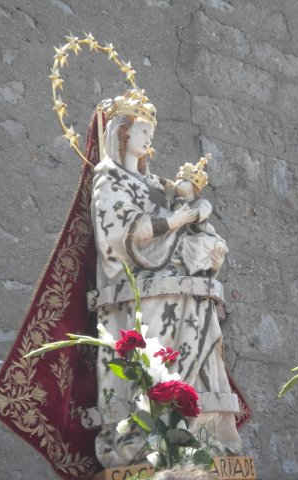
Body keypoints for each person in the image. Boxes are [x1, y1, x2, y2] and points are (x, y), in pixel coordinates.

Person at [90, 89, 242, 468]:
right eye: (142, 131)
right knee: (154, 347)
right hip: (136, 290)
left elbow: (185, 208)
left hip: (176, 280)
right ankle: (147, 434)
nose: (148, 140)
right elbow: (115, 235)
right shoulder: (108, 180)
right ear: (122, 133)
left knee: (200, 311)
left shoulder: (157, 185)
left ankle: (200, 430)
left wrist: (197, 215)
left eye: (151, 134)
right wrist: (173, 222)